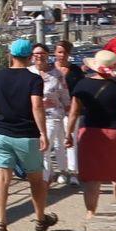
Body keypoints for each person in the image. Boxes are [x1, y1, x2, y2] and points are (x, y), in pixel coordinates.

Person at [0, 37, 52, 231]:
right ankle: (40, 218)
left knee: (1, 179)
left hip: (1, 134)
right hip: (27, 135)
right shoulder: (34, 79)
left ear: (10, 55)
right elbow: (37, 106)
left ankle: (1, 222)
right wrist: (43, 133)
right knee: (36, 179)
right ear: (30, 57)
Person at [69, 50, 116, 214]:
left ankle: (91, 213)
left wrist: (68, 134)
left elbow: (73, 112)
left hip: (90, 134)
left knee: (92, 177)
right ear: (115, 67)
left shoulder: (82, 85)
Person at [34, 44, 75, 181]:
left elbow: (65, 96)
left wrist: (70, 116)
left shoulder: (57, 74)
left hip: (53, 116)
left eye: (42, 53)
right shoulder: (29, 72)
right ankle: (57, 172)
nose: (39, 56)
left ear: (47, 55)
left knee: (45, 148)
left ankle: (45, 181)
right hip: (32, 117)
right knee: (55, 146)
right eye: (36, 53)